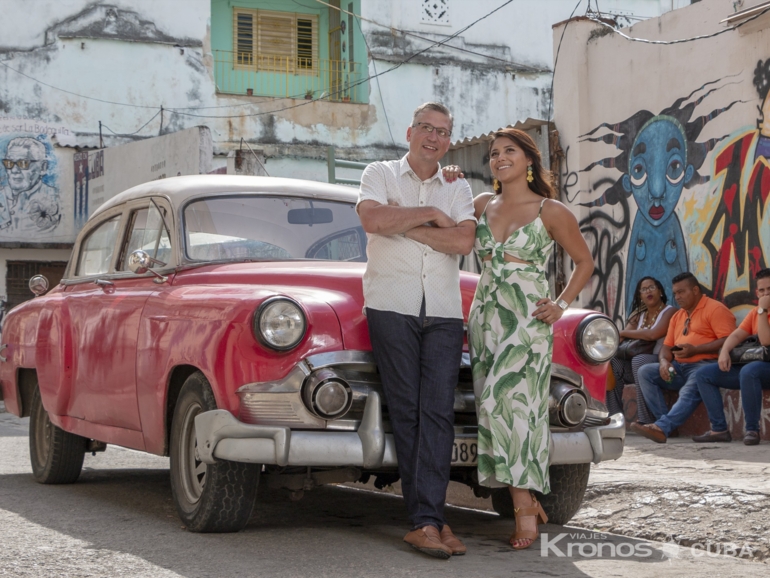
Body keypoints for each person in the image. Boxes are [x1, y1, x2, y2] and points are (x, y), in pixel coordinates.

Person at [357, 102, 476, 559]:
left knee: (439, 412)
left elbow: (463, 241)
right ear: (410, 132)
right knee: (407, 410)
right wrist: (430, 213)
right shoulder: (380, 173)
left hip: (444, 310)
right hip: (391, 305)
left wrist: (405, 223)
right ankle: (427, 520)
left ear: (449, 140)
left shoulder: (458, 185)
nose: (434, 137)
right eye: (427, 128)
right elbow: (372, 220)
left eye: (443, 132)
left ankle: (432, 517)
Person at [468, 128, 593, 550]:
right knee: (493, 406)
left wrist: (561, 304)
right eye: (494, 153)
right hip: (486, 317)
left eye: (509, 152)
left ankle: (523, 505)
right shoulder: (481, 204)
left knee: (508, 405)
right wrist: (448, 177)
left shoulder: (549, 210)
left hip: (527, 319)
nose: (500, 158)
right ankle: (525, 499)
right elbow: (449, 226)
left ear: (529, 161)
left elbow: (584, 261)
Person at [631, 272, 736, 443]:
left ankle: (662, 426)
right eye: (675, 293)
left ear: (695, 290)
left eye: (681, 292)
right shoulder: (678, 316)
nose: (677, 297)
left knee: (693, 384)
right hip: (679, 367)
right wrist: (664, 363)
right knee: (645, 371)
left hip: (706, 366)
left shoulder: (715, 309)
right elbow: (666, 346)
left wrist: (696, 350)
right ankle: (665, 425)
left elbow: (729, 339)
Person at [694, 268, 770, 445]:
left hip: (762, 370)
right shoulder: (755, 313)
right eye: (762, 290)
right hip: (756, 369)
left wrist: (763, 311)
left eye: (769, 289)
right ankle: (719, 429)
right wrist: (725, 352)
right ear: (756, 292)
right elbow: (736, 335)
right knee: (704, 374)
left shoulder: (759, 312)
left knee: (749, 371)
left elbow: (766, 341)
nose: (765, 294)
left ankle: (752, 430)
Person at [606, 276, 675, 423]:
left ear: (660, 291)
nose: (648, 292)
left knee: (639, 360)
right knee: (613, 362)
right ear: (640, 296)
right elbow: (620, 339)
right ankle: (614, 418)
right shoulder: (639, 315)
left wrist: (623, 332)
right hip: (635, 365)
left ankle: (646, 419)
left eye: (651, 287)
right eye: (643, 290)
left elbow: (653, 334)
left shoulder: (670, 312)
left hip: (659, 362)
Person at [0, 137, 61, 234]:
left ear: (42, 167)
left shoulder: (57, 198)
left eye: (23, 163)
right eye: (9, 163)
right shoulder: (2, 195)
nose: (14, 170)